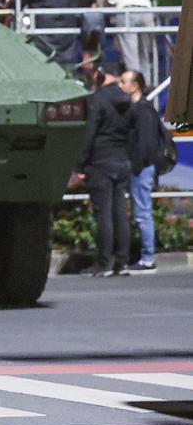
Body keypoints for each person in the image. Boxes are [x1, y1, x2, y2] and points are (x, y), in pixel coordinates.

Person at [71, 62, 137, 276]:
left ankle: (104, 262)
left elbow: (89, 134)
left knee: (104, 215)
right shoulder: (127, 101)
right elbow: (133, 132)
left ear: (100, 76)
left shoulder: (98, 100)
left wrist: (80, 164)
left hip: (101, 162)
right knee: (120, 214)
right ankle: (122, 261)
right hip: (122, 160)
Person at [95, 0, 156, 83]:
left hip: (126, 11)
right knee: (145, 54)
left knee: (131, 55)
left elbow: (100, 3)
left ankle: (134, 87)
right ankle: (147, 88)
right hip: (146, 10)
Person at [121, 69, 161, 272]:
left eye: (124, 81)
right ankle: (145, 256)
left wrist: (136, 165)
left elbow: (146, 142)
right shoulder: (138, 108)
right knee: (141, 211)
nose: (121, 85)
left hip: (141, 168)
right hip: (140, 167)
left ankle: (147, 258)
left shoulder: (142, 109)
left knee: (142, 213)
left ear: (135, 86)